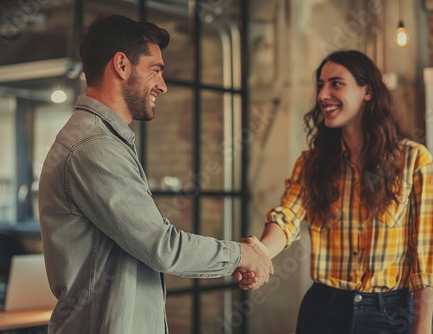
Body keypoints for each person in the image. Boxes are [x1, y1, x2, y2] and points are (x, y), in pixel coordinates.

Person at [38, 15, 272, 334]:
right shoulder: (94, 147)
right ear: (121, 65)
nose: (162, 85)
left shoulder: (105, 142)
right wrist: (242, 255)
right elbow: (162, 247)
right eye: (156, 70)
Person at [244, 50, 433, 334]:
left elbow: (426, 258)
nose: (323, 94)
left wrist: (422, 330)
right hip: (323, 309)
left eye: (336, 83)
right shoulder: (312, 164)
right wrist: (259, 251)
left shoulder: (414, 161)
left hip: (389, 314)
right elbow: (286, 218)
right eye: (320, 85)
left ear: (368, 92)